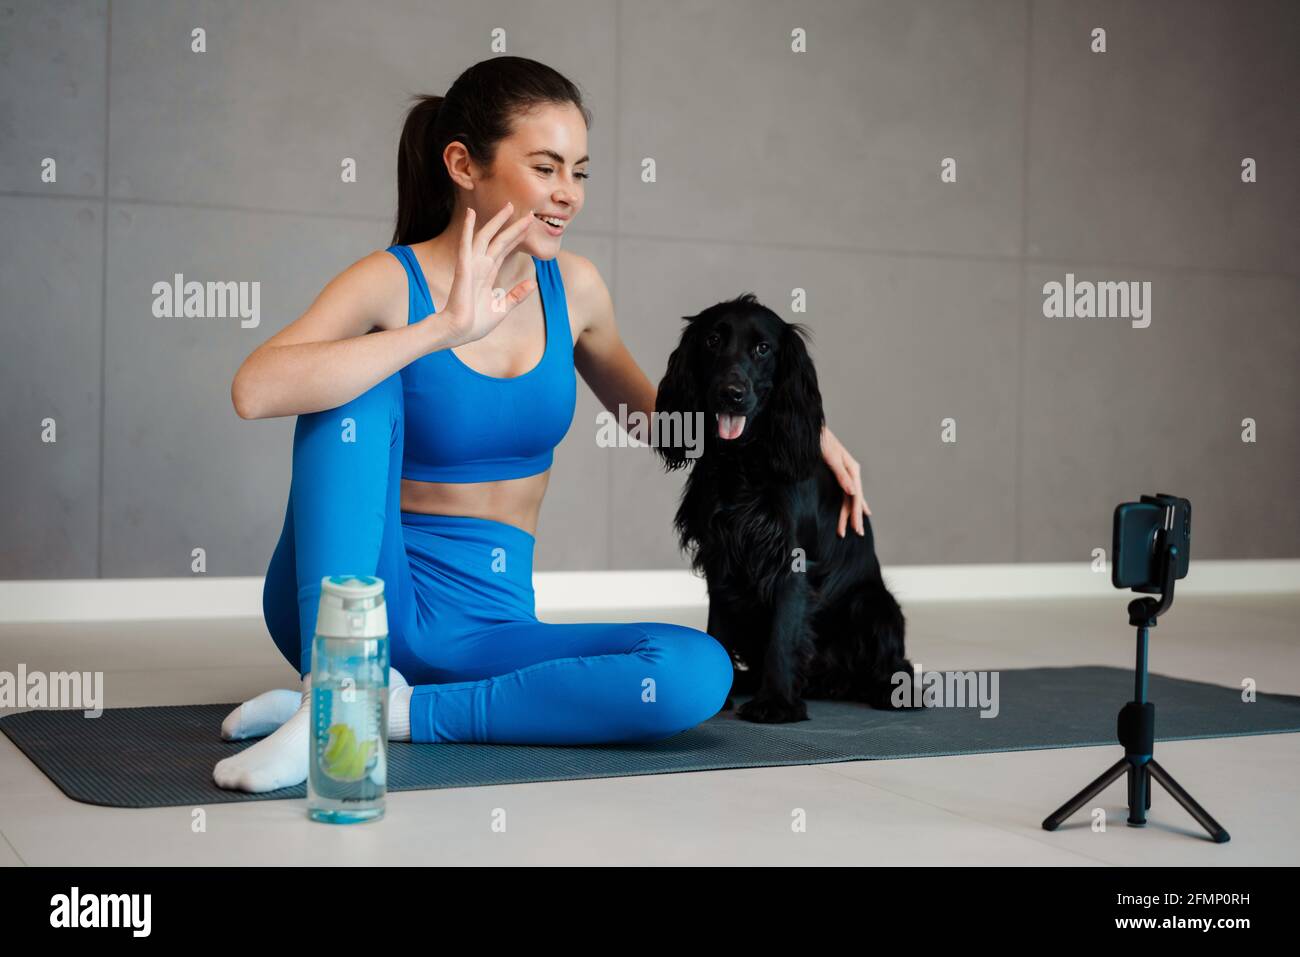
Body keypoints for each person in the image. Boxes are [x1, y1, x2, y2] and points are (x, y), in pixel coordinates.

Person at [214, 56, 871, 793]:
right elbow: (255, 388)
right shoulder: (389, 280)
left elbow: (670, 428)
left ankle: (383, 708)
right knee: (353, 383)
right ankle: (334, 681)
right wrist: (442, 330)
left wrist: (798, 422)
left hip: (489, 627)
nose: (568, 195)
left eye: (580, 172)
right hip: (366, 589)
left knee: (698, 673)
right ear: (464, 164)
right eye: (546, 167)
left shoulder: (575, 290)